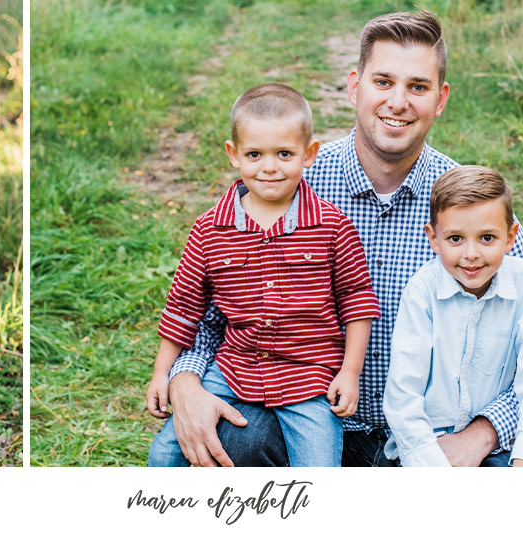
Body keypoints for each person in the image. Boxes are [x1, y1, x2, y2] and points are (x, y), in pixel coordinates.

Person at [163, 10, 523, 467]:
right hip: (304, 411)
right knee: (227, 439)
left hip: (431, 434)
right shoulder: (286, 183)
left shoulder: (467, 211)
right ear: (354, 86)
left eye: (417, 87)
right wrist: (185, 383)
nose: (398, 102)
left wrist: (481, 435)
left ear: (440, 99)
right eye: (383, 82)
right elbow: (205, 311)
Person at [146, 83, 380, 466]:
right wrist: (162, 374)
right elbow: (183, 308)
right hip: (235, 367)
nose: (269, 167)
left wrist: (349, 372)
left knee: (319, 468)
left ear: (309, 155)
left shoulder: (332, 226)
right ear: (233, 155)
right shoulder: (210, 230)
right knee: (164, 454)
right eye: (255, 154)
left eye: (284, 154)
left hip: (310, 378)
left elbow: (357, 302)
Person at [384, 165, 523, 467]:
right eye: (455, 239)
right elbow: (403, 394)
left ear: (510, 237)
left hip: (496, 450)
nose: (471, 253)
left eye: (487, 238)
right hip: (423, 448)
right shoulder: (422, 292)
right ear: (434, 238)